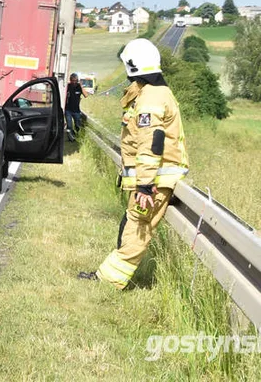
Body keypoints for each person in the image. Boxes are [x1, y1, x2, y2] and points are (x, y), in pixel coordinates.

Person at [81, 38, 190, 289]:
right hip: (153, 180)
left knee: (136, 229)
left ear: (132, 66)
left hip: (153, 184)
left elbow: (151, 144)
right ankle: (106, 277)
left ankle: (108, 282)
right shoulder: (150, 93)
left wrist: (144, 186)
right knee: (131, 225)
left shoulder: (151, 99)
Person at [64, 72, 89, 139]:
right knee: (69, 125)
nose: (74, 82)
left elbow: (86, 95)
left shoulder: (79, 87)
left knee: (78, 125)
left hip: (76, 110)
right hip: (68, 110)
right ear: (70, 80)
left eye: (75, 81)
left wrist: (81, 86)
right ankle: (71, 138)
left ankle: (78, 137)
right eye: (73, 81)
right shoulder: (68, 86)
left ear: (77, 80)